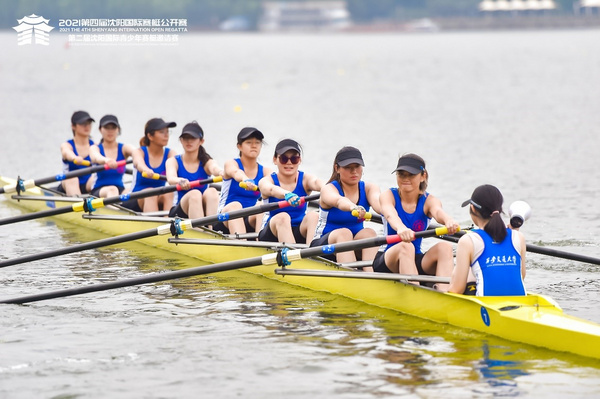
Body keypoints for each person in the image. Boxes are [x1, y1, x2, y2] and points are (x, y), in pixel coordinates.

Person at [373, 154, 459, 289]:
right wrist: (401, 228)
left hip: (415, 257)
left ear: (423, 176)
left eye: (411, 175)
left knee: (445, 247)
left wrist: (449, 221)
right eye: (401, 174)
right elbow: (390, 215)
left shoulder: (429, 200)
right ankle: (415, 295)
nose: (405, 179)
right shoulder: (388, 196)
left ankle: (445, 294)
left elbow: (438, 212)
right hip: (387, 259)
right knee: (406, 246)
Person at [448, 184, 527, 296]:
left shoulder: (468, 240)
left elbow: (457, 290)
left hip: (486, 307)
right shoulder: (518, 237)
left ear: (472, 208)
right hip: (522, 304)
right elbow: (521, 276)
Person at [310, 146, 381, 270]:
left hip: (352, 244)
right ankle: (351, 275)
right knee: (344, 233)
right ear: (337, 168)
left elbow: (380, 205)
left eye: (357, 166)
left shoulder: (369, 188)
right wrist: (353, 207)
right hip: (323, 247)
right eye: (348, 167)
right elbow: (339, 201)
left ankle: (370, 274)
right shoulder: (329, 189)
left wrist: (395, 216)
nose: (354, 171)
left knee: (370, 233)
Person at [257, 139, 324, 244]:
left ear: (299, 160)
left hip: (298, 230)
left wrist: (331, 191)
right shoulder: (267, 181)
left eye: (294, 159)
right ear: (275, 160)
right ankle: (295, 258)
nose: (289, 163)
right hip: (271, 233)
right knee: (283, 217)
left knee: (314, 215)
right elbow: (270, 189)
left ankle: (312, 256)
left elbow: (317, 183)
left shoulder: (305, 179)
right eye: (284, 158)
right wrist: (286, 194)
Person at [214, 127, 272, 236]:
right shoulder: (231, 163)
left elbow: (273, 186)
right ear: (239, 146)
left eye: (257, 143)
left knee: (261, 206)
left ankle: (261, 244)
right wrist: (246, 179)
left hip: (249, 219)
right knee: (235, 205)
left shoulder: (266, 171)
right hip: (225, 218)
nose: (254, 146)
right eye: (249, 142)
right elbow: (236, 172)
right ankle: (242, 245)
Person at [165, 121, 222, 220]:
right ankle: (200, 232)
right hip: (179, 212)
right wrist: (180, 181)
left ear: (201, 141)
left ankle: (213, 231)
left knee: (212, 191)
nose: (189, 141)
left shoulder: (206, 162)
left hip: (202, 208)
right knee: (195, 194)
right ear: (181, 140)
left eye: (193, 138)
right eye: (186, 138)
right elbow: (171, 178)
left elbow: (215, 169)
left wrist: (223, 173)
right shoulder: (173, 161)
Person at [123, 118, 176, 213]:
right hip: (135, 199)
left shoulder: (170, 153)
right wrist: (145, 169)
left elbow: (178, 166)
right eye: (162, 132)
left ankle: (169, 224)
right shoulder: (139, 152)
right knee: (151, 192)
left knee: (169, 193)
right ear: (150, 136)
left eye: (167, 132)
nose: (166, 135)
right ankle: (154, 224)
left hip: (157, 196)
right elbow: (138, 163)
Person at [89, 115, 135, 198]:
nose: (110, 131)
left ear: (118, 130)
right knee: (112, 190)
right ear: (100, 130)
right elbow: (96, 157)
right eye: (107, 128)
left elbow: (137, 152)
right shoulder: (95, 148)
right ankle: (115, 210)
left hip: (120, 189)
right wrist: (106, 161)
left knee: (132, 190)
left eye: (113, 128)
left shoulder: (124, 148)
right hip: (99, 191)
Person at [59, 110, 95, 196]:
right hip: (68, 184)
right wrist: (74, 158)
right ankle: (79, 205)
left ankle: (111, 207)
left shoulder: (95, 147)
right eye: (83, 123)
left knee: (98, 179)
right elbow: (66, 152)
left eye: (89, 123)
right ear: (73, 126)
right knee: (72, 179)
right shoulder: (67, 145)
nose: (87, 126)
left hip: (87, 184)